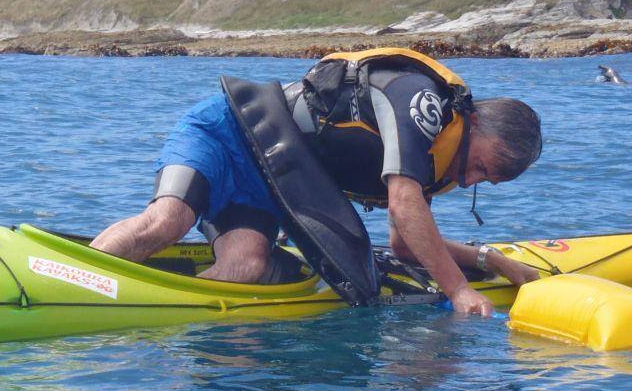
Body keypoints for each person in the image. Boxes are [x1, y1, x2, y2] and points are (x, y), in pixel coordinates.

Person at [90, 49, 544, 317]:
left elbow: (406, 246)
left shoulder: (434, 159)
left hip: (270, 181)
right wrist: (459, 290)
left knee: (246, 266)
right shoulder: (420, 103)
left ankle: (140, 316)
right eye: (483, 166)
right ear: (477, 121)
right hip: (228, 129)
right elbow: (406, 207)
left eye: (487, 182)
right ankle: (78, 278)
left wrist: (491, 260)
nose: (469, 181)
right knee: (167, 221)